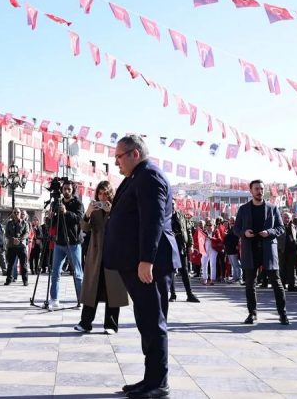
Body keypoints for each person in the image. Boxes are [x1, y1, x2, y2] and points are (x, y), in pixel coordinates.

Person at [103, 135, 179, 398]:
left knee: (153, 321)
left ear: (135, 153)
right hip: (138, 262)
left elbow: (153, 220)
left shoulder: (149, 176)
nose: (116, 163)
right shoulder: (137, 176)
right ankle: (150, 379)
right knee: (146, 321)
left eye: (119, 157)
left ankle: (159, 383)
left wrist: (146, 259)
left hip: (150, 264)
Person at [75, 180, 129, 334]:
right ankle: (85, 323)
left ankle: (111, 325)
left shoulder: (117, 208)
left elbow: (124, 228)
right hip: (96, 254)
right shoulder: (94, 209)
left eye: (106, 193)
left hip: (114, 253)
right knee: (92, 288)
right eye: (100, 193)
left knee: (113, 289)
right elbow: (84, 228)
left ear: (110, 194)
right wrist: (88, 213)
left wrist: (113, 212)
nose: (103, 196)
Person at [232, 179, 289, 325]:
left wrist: (269, 232)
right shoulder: (243, 209)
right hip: (250, 250)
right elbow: (236, 228)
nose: (260, 191)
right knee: (250, 283)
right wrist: (244, 233)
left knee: (276, 282)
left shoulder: (273, 208)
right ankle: (252, 313)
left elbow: (281, 228)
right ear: (251, 191)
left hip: (268, 248)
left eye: (262, 189)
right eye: (257, 189)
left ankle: (283, 314)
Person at [49, 180, 85, 310]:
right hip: (59, 242)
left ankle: (81, 300)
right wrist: (51, 217)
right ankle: (54, 299)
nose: (66, 191)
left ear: (72, 190)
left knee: (77, 273)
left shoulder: (78, 203)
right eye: (64, 189)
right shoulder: (57, 203)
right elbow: (52, 224)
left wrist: (65, 212)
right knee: (55, 272)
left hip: (74, 243)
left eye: (69, 189)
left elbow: (79, 219)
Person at [169, 203, 199, 302]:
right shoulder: (164, 215)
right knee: (171, 270)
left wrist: (191, 244)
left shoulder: (181, 216)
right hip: (169, 245)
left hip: (181, 244)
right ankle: (172, 295)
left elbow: (188, 230)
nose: (172, 206)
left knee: (184, 270)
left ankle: (189, 294)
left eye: (173, 205)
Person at [5, 207, 30, 286]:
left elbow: (27, 233)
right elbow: (6, 234)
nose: (16, 214)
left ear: (20, 213)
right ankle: (9, 280)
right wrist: (13, 239)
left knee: (24, 264)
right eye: (15, 212)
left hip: (21, 246)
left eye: (18, 213)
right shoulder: (9, 223)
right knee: (10, 264)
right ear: (12, 213)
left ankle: (25, 280)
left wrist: (20, 239)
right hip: (12, 246)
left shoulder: (24, 223)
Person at [202, 219, 220, 286]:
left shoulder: (215, 231)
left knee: (212, 264)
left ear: (213, 225)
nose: (209, 226)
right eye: (207, 225)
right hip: (205, 250)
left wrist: (211, 238)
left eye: (210, 225)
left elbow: (219, 240)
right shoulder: (204, 232)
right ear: (206, 226)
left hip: (213, 250)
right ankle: (205, 278)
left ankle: (212, 279)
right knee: (203, 264)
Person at [224, 216, 242, 284]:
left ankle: (239, 278)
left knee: (236, 264)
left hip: (234, 249)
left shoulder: (236, 228)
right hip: (229, 249)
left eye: (232, 220)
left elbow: (237, 238)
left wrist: (237, 245)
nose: (231, 222)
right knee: (233, 264)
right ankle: (235, 277)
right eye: (230, 220)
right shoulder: (229, 229)